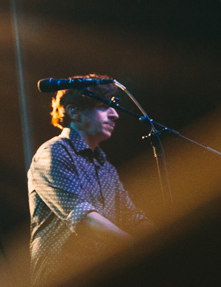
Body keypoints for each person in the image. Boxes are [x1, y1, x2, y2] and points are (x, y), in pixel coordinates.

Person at [27, 75, 153, 285]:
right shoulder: (53, 152)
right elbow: (84, 219)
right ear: (74, 110)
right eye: (104, 106)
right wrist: (139, 249)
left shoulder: (105, 166)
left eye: (114, 106)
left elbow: (132, 217)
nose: (115, 115)